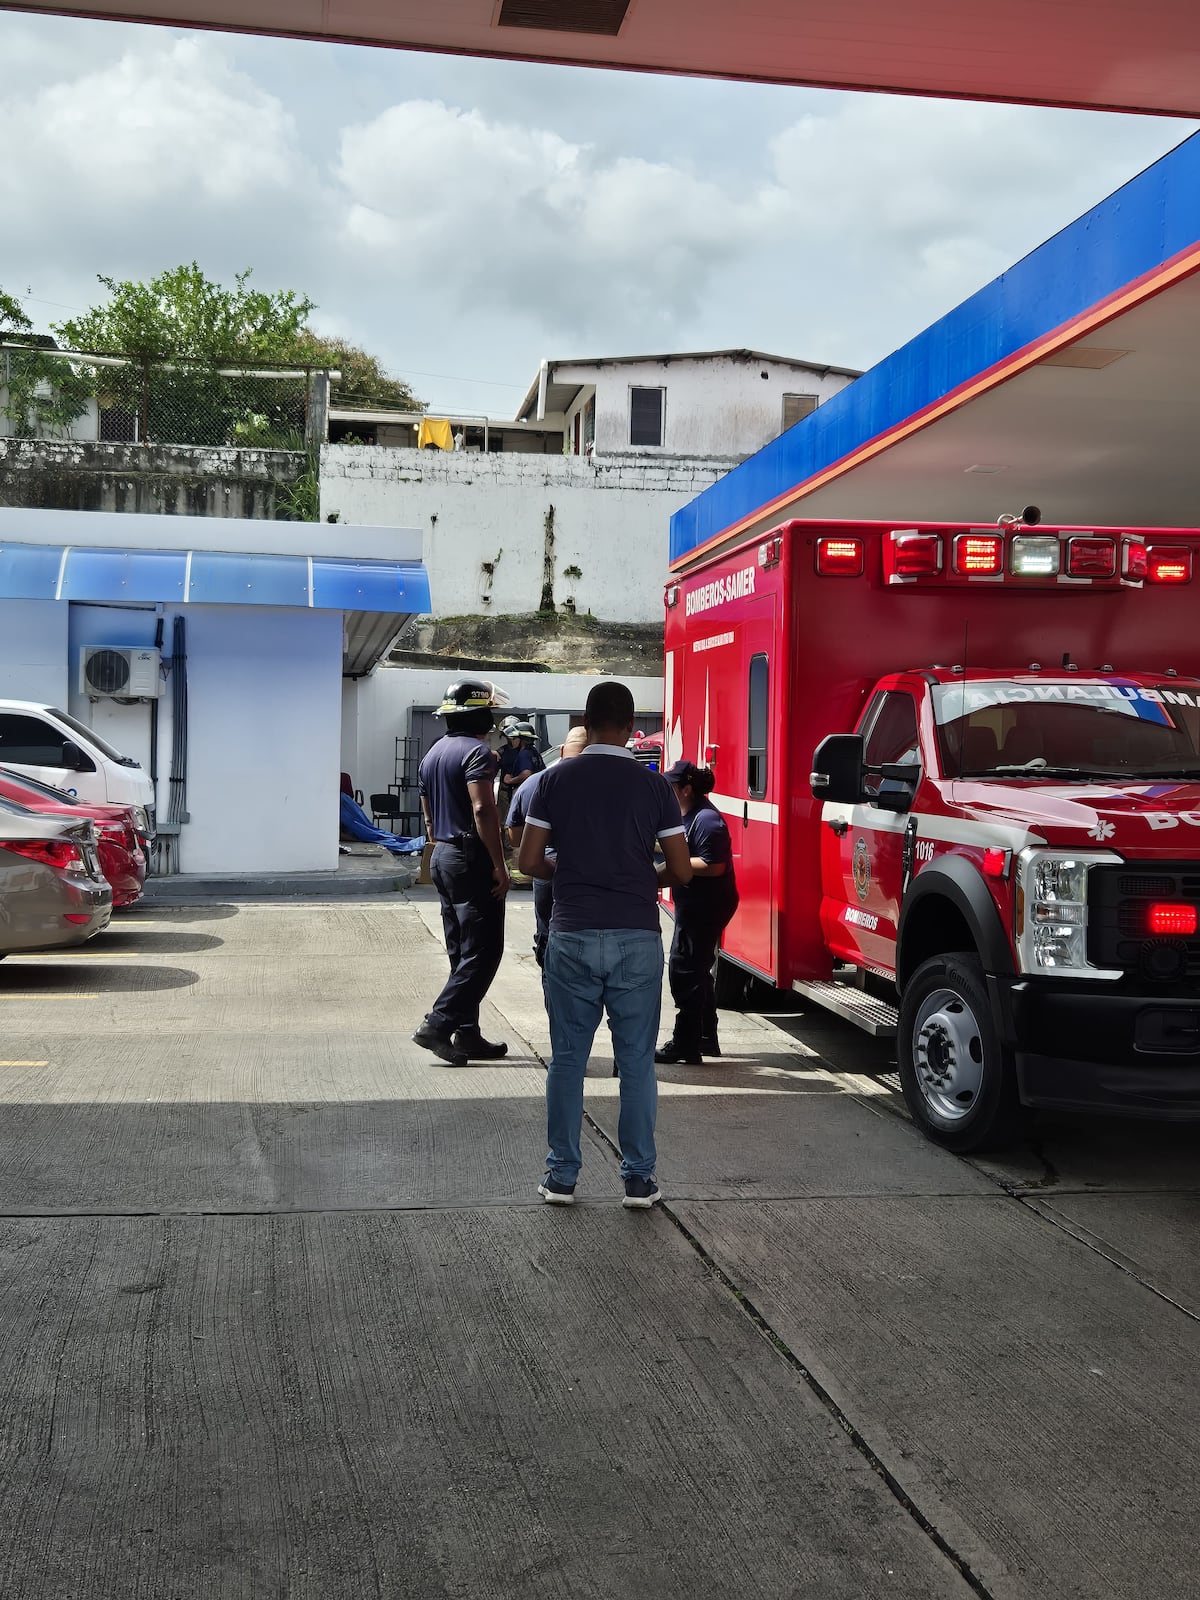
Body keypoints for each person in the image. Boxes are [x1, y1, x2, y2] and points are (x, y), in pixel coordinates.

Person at [518, 682, 693, 1209]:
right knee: (636, 1060)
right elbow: (681, 869)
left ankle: (562, 1178)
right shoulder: (655, 787)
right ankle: (638, 1179)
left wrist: (569, 871)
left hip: (571, 932)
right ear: (628, 724)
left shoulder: (554, 780)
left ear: (587, 722)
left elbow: (528, 862)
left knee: (568, 1060)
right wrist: (643, 874)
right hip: (637, 935)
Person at [414, 679, 511, 1067]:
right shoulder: (478, 753)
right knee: (485, 950)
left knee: (461, 949)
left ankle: (467, 1034)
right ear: (482, 715)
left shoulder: (433, 753)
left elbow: (426, 806)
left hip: (443, 855)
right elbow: (483, 809)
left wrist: (436, 836)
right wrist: (500, 863)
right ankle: (437, 1025)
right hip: (471, 857)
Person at [654, 761, 740, 1064]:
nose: (666, 790)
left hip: (706, 907)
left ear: (686, 789)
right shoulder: (689, 815)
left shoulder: (706, 820)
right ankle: (704, 1038)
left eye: (671, 785)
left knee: (685, 970)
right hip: (695, 905)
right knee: (698, 971)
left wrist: (671, 866)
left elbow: (713, 865)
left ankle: (685, 1043)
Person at [507, 725, 589, 966]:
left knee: (548, 932)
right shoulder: (605, 784)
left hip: (545, 867)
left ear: (563, 750)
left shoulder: (533, 784)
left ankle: (550, 984)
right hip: (590, 873)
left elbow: (514, 838)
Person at [497, 721, 542, 827]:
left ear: (522, 739)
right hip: (534, 793)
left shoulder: (524, 754)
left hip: (521, 792)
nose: (512, 740)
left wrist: (510, 780)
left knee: (511, 825)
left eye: (515, 738)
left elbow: (526, 774)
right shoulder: (534, 752)